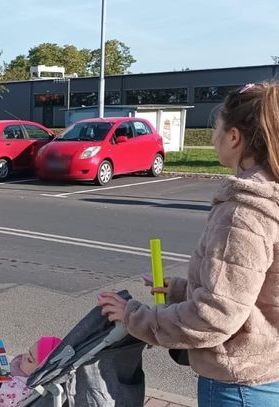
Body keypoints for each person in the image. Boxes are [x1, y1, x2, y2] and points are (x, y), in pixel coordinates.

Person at [98, 81, 279, 406]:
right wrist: (182, 290)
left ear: (234, 137)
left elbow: (215, 316)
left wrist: (133, 316)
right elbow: (257, 295)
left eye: (216, 128)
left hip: (237, 384)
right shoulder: (271, 196)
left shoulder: (244, 212)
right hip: (265, 371)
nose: (212, 138)